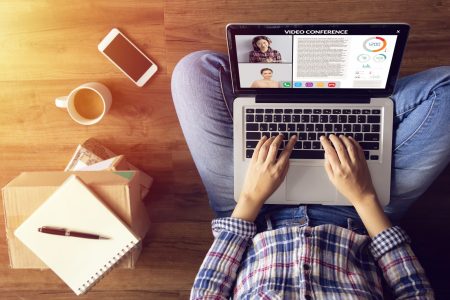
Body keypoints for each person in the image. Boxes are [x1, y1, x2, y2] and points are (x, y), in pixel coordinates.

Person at [171, 50, 450, 299]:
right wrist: (363, 196)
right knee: (446, 91)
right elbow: (414, 291)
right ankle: (350, 101)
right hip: (360, 215)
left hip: (253, 212)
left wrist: (251, 195)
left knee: (195, 70)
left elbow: (208, 291)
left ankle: (312, 103)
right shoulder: (363, 202)